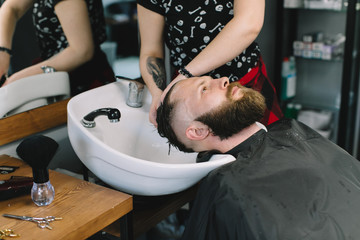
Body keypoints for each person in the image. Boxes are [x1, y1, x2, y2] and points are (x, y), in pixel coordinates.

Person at [156, 76, 360, 239]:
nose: (224, 79)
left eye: (212, 79)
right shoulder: (227, 188)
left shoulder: (289, 128)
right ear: (198, 132)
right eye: (204, 89)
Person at [137, 0, 283, 127]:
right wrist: (157, 94)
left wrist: (186, 74)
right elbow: (151, 52)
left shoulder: (186, 75)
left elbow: (248, 25)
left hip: (245, 86)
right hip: (192, 97)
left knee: (267, 151)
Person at [0, 0, 115, 96]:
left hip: (85, 84)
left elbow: (82, 51)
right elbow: (11, 8)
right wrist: (3, 52)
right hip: (57, 80)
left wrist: (17, 80)